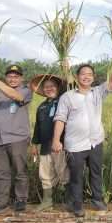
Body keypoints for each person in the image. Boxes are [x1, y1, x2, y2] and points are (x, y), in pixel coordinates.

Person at [52, 64, 112, 217]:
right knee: (76, 175)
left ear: (93, 78)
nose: (86, 77)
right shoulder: (67, 97)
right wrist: (56, 140)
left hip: (95, 141)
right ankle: (77, 204)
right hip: (75, 144)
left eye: (89, 74)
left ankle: (97, 200)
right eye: (83, 74)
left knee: (96, 173)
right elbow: (60, 119)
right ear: (77, 77)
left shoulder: (98, 92)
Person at [0, 64, 33, 215]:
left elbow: (16, 96)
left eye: (16, 76)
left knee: (20, 171)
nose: (12, 79)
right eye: (10, 76)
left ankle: (21, 200)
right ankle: (0, 202)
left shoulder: (26, 90)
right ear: (6, 77)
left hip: (18, 138)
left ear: (21, 78)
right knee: (0, 172)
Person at [30, 74, 69, 211]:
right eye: (46, 87)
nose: (49, 89)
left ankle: (69, 201)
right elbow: (37, 127)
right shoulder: (41, 106)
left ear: (58, 87)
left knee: (63, 173)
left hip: (60, 145)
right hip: (45, 147)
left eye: (52, 86)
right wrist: (34, 144)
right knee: (45, 175)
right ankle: (47, 202)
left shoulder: (64, 102)